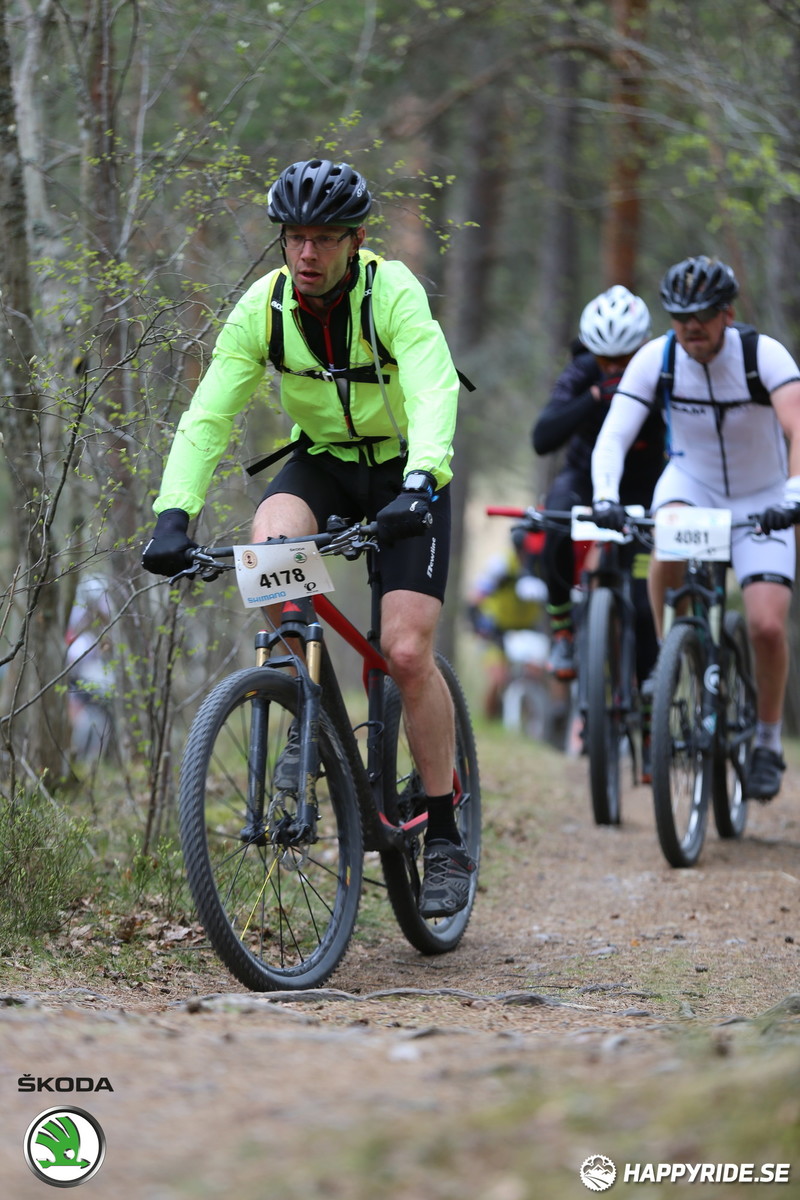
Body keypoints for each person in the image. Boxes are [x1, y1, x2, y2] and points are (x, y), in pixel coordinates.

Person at [142, 157, 475, 917]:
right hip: (323, 464)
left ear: (356, 240)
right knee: (268, 542)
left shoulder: (391, 293)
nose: (308, 254)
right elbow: (209, 415)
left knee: (405, 653)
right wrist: (173, 512)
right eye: (295, 238)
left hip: (405, 474)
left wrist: (424, 478)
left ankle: (446, 832)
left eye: (325, 238)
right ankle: (305, 701)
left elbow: (431, 384)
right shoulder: (261, 310)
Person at [592, 254, 800, 801]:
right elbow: (613, 436)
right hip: (693, 486)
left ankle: (767, 740)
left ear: (727, 314)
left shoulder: (764, 356)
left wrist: (794, 495)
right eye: (680, 317)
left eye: (703, 316)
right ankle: (671, 658)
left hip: (765, 498)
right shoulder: (655, 359)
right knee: (667, 538)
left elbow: (797, 425)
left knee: (767, 627)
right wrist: (607, 497)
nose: (691, 328)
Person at [532, 287, 663, 766]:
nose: (613, 368)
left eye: (623, 360)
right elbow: (542, 437)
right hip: (585, 479)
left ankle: (652, 723)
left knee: (643, 600)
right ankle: (564, 631)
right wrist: (593, 396)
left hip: (645, 486)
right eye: (604, 359)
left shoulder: (660, 370)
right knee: (553, 522)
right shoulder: (584, 371)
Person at [466, 528, 549, 720]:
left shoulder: (540, 568)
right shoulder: (501, 565)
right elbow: (474, 599)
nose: (525, 556)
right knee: (498, 679)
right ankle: (490, 720)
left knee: (535, 674)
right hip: (496, 630)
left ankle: (531, 724)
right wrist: (478, 625)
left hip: (527, 630)